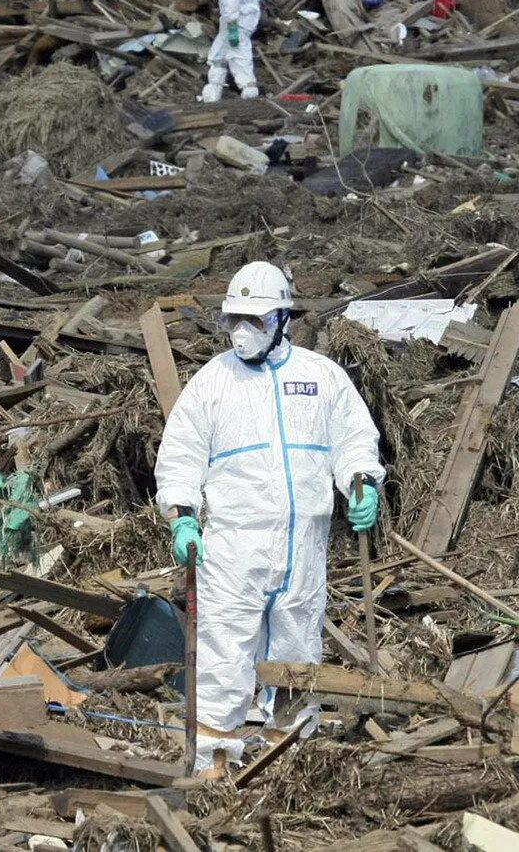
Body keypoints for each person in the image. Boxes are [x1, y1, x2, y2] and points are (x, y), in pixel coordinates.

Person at [154, 260, 385, 773]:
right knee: (224, 655)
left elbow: (354, 440)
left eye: (255, 320)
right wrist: (182, 516)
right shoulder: (213, 384)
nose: (243, 331)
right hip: (234, 549)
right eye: (235, 319)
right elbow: (179, 457)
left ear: (283, 318)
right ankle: (214, 761)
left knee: (298, 654)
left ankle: (288, 761)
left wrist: (361, 483)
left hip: (304, 547)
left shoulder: (321, 378)